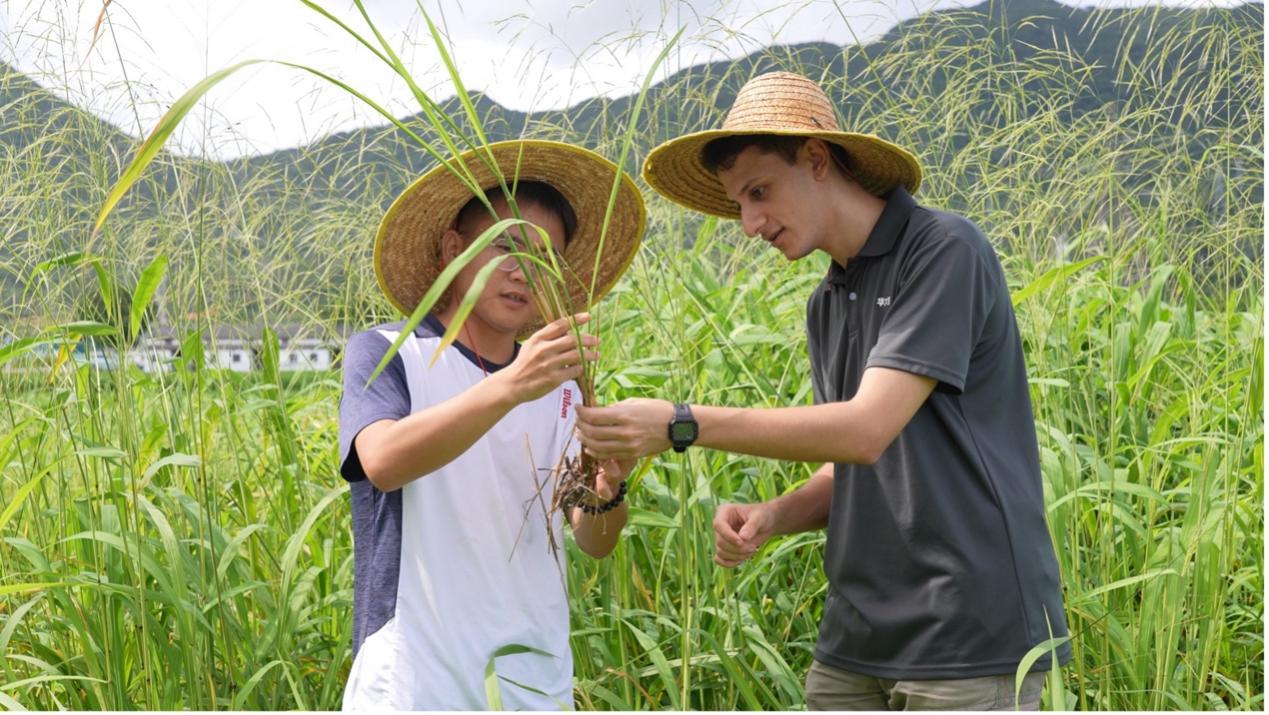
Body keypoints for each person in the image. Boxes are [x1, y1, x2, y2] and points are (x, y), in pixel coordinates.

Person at [574, 72, 1071, 710]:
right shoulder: (826, 302)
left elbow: (865, 430)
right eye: (738, 203)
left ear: (815, 159)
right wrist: (775, 516)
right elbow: (853, 465)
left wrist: (681, 423)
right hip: (857, 638)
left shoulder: (944, 251)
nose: (749, 223)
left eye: (759, 192)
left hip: (967, 634)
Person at [338, 140, 645, 710]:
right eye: (506, 245)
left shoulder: (561, 386)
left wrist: (607, 494)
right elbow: (381, 462)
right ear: (453, 249)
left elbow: (592, 540)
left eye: (545, 258)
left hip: (535, 681)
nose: (523, 271)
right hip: (416, 681)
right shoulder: (391, 353)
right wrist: (512, 386)